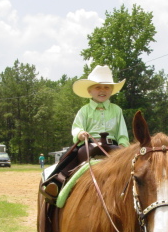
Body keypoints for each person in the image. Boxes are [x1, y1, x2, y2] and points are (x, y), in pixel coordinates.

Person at [43, 65, 130, 199]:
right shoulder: (84, 110)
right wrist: (80, 133)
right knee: (70, 157)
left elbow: (122, 132)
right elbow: (77, 127)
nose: (102, 90)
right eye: (98, 87)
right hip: (89, 145)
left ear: (111, 90)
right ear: (90, 91)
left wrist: (123, 146)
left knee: (133, 167)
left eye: (106, 87)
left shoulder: (116, 110)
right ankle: (57, 182)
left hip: (113, 147)